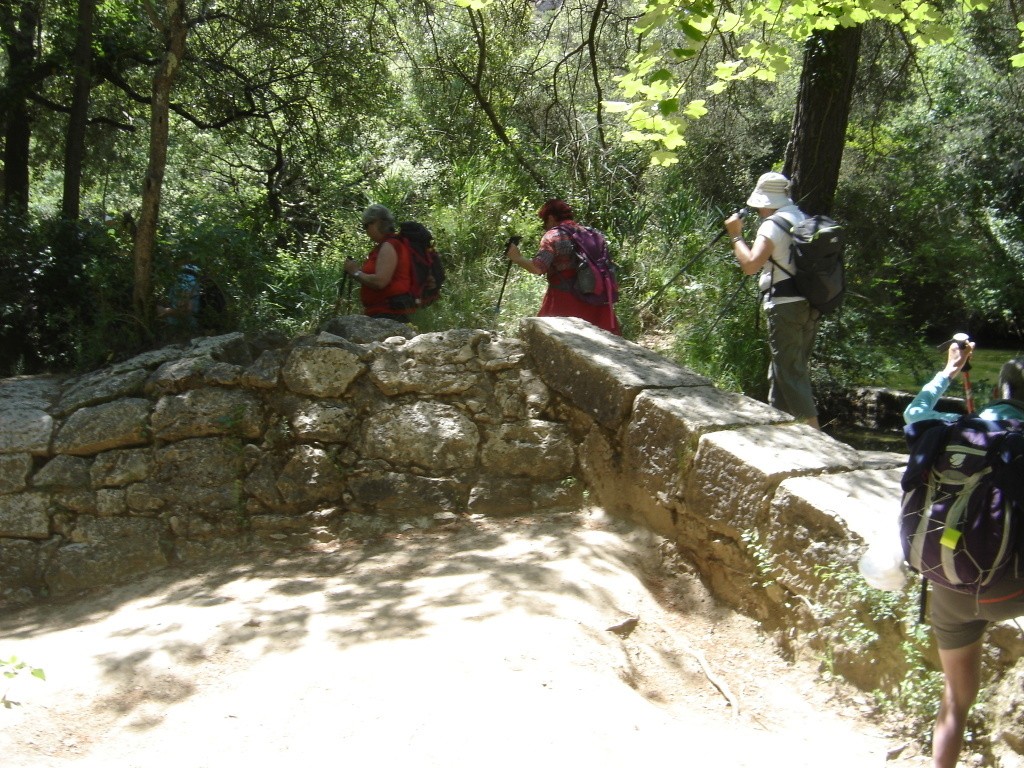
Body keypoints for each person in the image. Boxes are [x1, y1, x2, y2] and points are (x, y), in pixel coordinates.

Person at [903, 340, 1024, 768]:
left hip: (949, 580)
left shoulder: (954, 427)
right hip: (1012, 588)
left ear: (997, 393)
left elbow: (913, 413)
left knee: (955, 700)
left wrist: (950, 371)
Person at [724, 172, 819, 428]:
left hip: (785, 305)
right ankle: (778, 432)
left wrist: (735, 235)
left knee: (789, 373)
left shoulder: (773, 224)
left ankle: (821, 443)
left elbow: (751, 265)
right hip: (811, 303)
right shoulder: (801, 217)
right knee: (783, 371)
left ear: (764, 200)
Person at [505, 199, 620, 335]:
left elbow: (538, 268)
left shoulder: (553, 235)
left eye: (545, 221)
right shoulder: (592, 234)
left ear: (551, 218)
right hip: (597, 301)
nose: (545, 226)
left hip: (564, 301)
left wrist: (517, 257)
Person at [343, 204, 415, 322]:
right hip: (384, 313)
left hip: (389, 315)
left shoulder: (390, 245)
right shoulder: (387, 245)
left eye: (366, 225)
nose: (366, 230)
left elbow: (380, 281)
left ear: (376, 222)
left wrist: (355, 272)